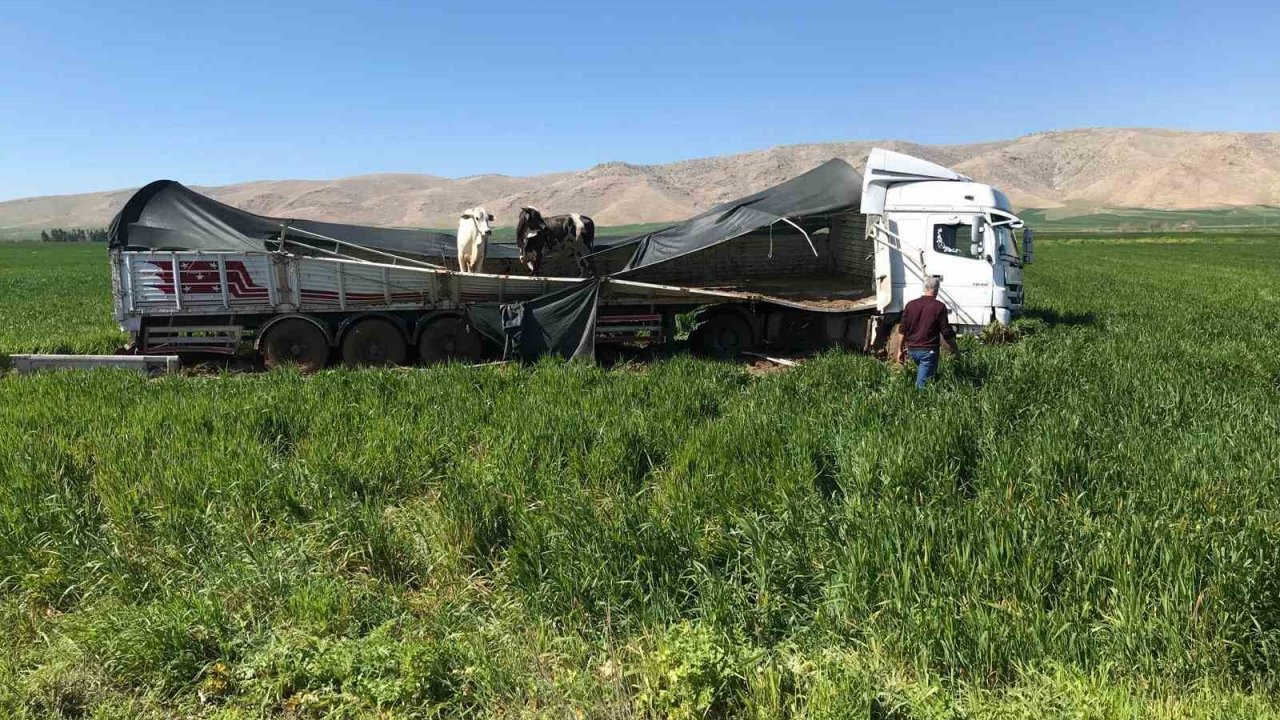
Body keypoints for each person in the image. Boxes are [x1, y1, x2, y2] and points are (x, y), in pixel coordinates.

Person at [896, 276, 960, 389]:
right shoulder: (939, 307)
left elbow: (902, 330)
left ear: (924, 288)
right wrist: (955, 349)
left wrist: (900, 350)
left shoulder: (910, 305)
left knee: (931, 379)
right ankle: (919, 404)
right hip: (928, 352)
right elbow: (946, 332)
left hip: (912, 350)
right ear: (937, 289)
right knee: (922, 388)